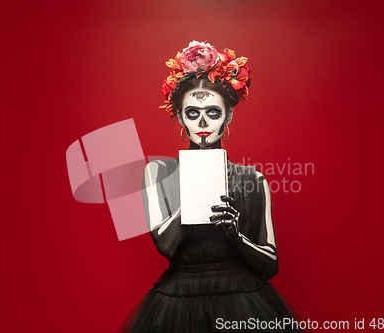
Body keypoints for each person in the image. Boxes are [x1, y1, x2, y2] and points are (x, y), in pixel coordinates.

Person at [118, 41, 307, 333]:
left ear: (227, 117)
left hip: (244, 302)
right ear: (181, 118)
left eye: (213, 112)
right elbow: (166, 247)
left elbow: (271, 264)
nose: (203, 122)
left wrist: (236, 236)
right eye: (193, 113)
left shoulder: (252, 180)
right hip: (179, 303)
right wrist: (195, 192)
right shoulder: (158, 172)